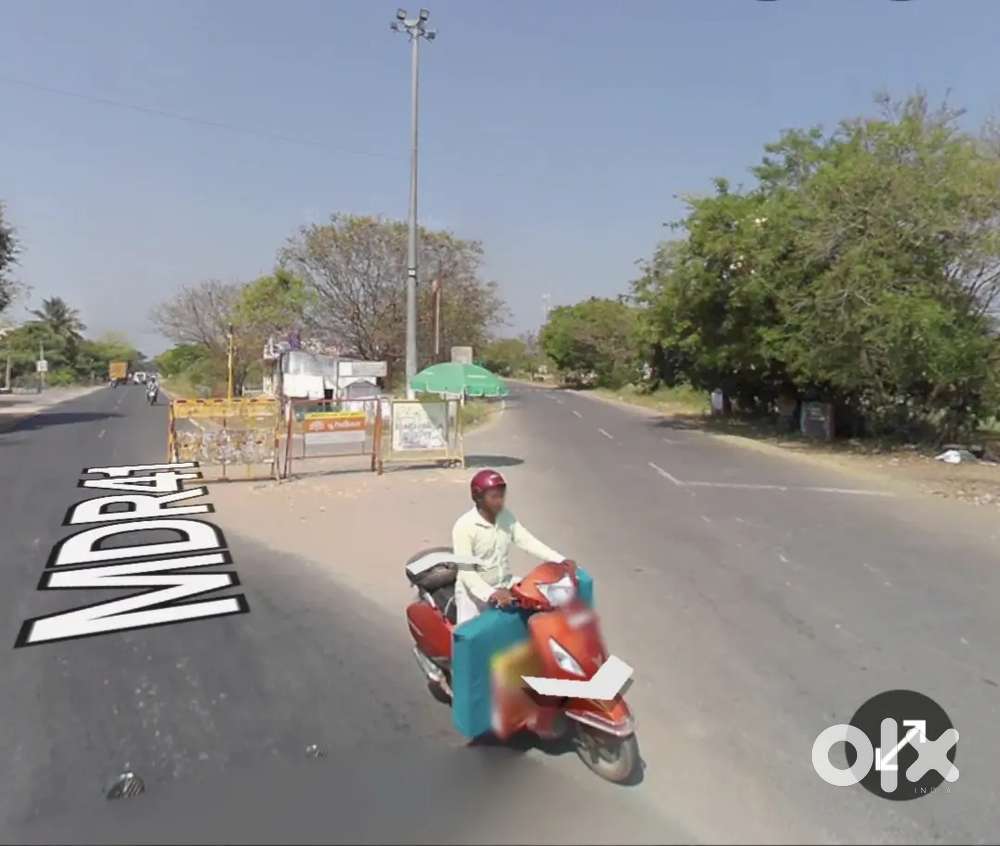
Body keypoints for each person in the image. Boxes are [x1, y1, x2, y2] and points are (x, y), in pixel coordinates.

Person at [451, 469, 566, 625]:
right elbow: (467, 572)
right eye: (494, 497)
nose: (500, 501)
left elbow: (527, 541)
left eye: (502, 495)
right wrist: (491, 594)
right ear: (477, 497)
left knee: (543, 605)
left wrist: (560, 560)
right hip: (474, 596)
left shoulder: (505, 516)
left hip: (505, 585)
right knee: (468, 636)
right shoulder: (464, 526)